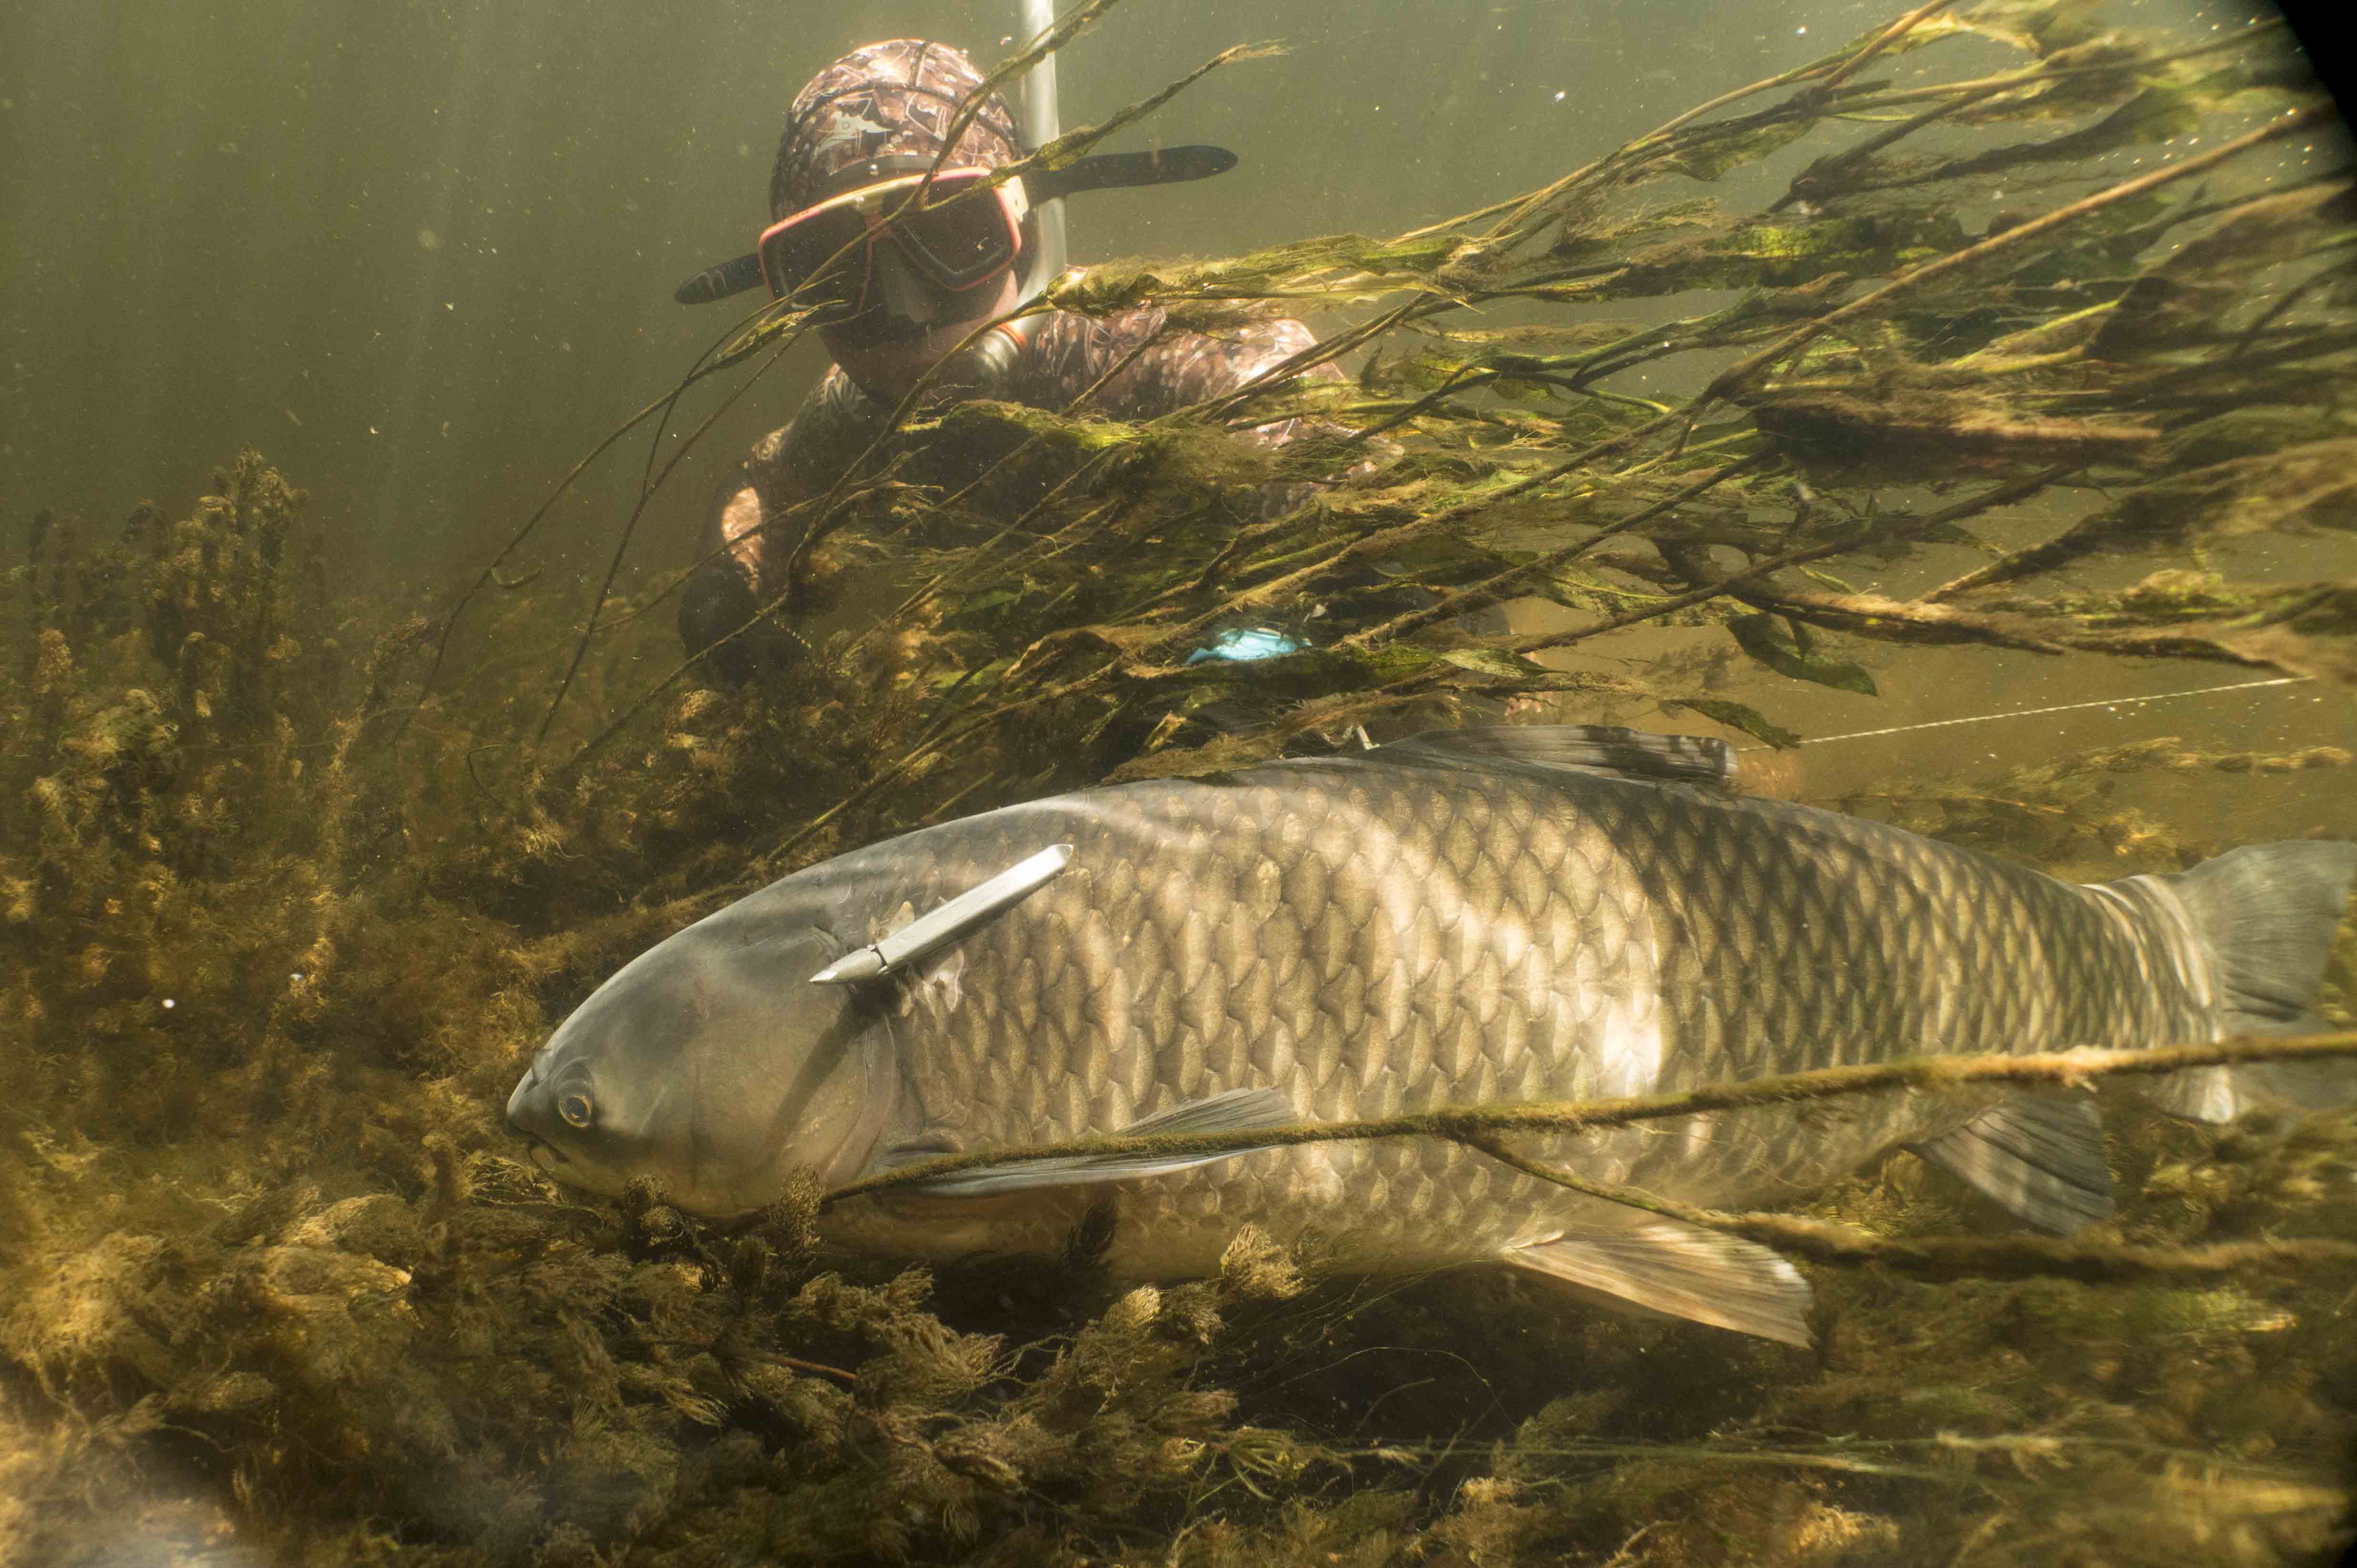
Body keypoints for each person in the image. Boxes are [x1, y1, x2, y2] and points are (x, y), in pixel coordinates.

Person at [673, 39, 1363, 685]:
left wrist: (1289, 644)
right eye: (834, 270)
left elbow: (1365, 509)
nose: (908, 314)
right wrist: (726, 591)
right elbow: (767, 482)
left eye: (951, 235)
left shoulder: (1173, 354)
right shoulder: (857, 417)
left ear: (1025, 226)